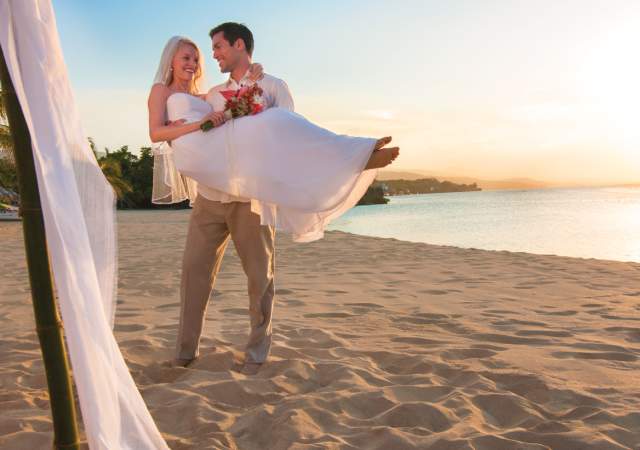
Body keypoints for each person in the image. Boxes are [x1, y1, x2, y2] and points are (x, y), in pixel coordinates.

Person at [147, 25, 399, 373]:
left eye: (216, 48)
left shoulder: (274, 86)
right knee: (194, 273)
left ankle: (256, 353)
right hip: (209, 197)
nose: (210, 56)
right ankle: (184, 352)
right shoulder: (214, 93)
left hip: (250, 195)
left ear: (239, 45)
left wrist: (254, 83)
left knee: (259, 277)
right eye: (199, 53)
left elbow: (290, 141)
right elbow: (199, 128)